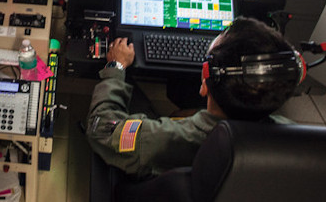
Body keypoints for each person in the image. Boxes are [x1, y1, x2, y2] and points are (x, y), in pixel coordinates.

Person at [85, 17, 299, 180]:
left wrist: (117, 67)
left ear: (205, 83)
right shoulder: (297, 140)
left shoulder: (169, 138)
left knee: (126, 88)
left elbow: (102, 128)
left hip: (153, 187)